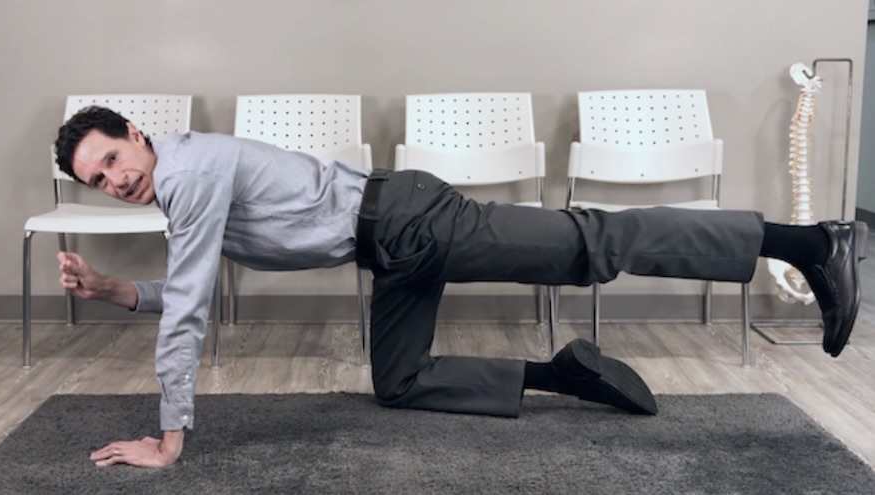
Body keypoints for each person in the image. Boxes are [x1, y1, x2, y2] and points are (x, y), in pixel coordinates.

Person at [53, 106, 867, 468]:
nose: (114, 180)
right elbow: (188, 287)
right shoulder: (182, 183)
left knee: (594, 241)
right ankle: (561, 373)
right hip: (392, 246)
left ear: (136, 134)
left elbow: (191, 309)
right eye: (98, 180)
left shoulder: (188, 174)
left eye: (114, 160)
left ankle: (807, 244)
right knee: (400, 382)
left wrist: (170, 437)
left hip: (411, 221)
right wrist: (116, 290)